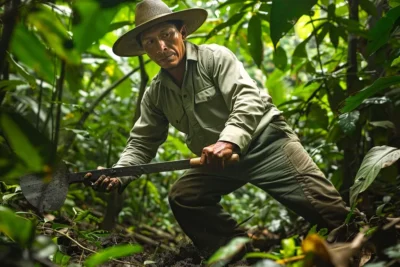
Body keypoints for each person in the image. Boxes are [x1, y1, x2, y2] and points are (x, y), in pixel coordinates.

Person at [88, 0, 351, 255]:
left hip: (268, 143)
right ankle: (238, 253)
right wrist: (119, 173)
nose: (161, 46)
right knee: (184, 197)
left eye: (167, 35)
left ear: (182, 33)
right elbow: (142, 142)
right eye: (150, 42)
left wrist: (228, 141)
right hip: (217, 162)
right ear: (145, 49)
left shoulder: (214, 58)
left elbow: (247, 98)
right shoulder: (156, 94)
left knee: (335, 216)